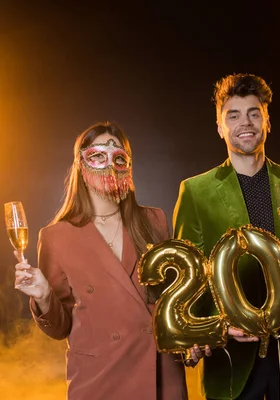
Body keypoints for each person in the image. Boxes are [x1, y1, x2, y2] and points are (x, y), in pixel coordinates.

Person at [173, 73, 280, 400]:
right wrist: (210, 331)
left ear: (267, 121)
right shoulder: (195, 192)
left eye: (254, 113)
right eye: (234, 115)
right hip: (231, 361)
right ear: (220, 127)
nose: (246, 122)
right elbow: (189, 280)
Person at [13, 122, 188, 399]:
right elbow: (60, 328)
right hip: (99, 380)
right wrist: (44, 296)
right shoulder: (56, 237)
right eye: (97, 156)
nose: (109, 165)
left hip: (160, 377)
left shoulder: (155, 221)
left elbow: (175, 298)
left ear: (129, 167)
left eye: (119, 158)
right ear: (81, 167)